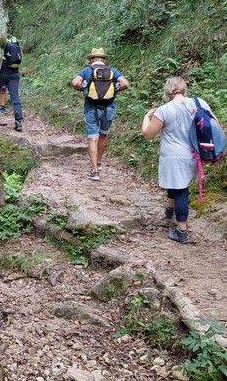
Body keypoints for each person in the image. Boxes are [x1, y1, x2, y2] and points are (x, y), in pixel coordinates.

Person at [141, 77, 216, 244]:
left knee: (181, 189)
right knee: (177, 182)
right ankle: (169, 210)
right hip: (195, 154)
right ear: (184, 89)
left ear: (167, 91)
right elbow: (214, 123)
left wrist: (146, 117)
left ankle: (181, 231)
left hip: (174, 155)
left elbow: (148, 134)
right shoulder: (199, 103)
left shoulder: (164, 109)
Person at [71, 47, 130, 181]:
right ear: (104, 59)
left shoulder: (87, 70)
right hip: (108, 108)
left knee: (93, 138)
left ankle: (94, 171)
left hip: (91, 107)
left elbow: (75, 82)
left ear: (91, 59)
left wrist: (83, 88)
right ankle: (98, 162)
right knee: (103, 135)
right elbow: (125, 83)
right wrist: (115, 90)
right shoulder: (112, 71)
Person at [0, 35, 23, 132]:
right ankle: (18, 122)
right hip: (14, 74)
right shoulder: (15, 43)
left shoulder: (1, 44)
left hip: (2, 74)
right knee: (15, 97)